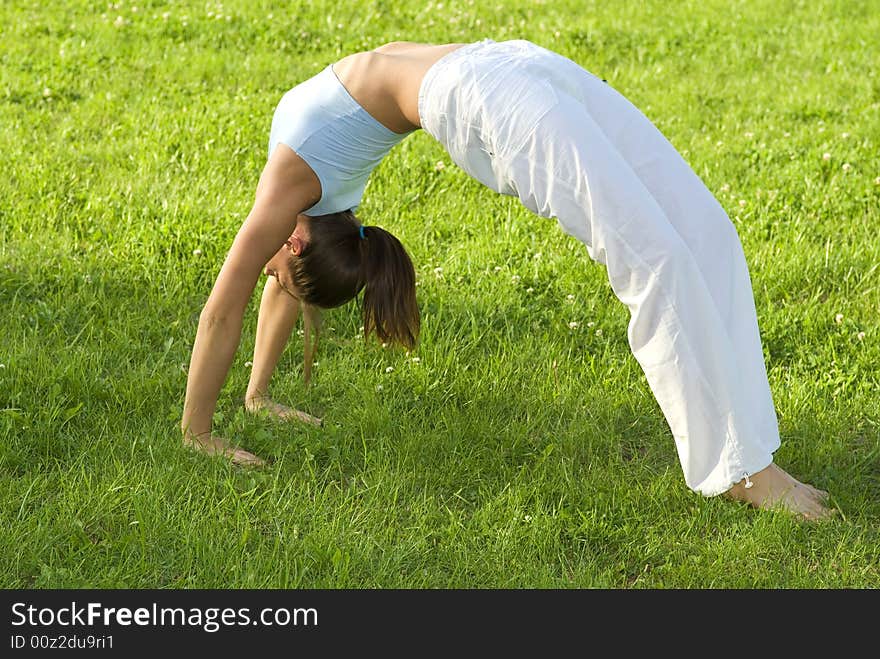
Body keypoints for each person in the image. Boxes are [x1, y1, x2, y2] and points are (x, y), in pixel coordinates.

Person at [181, 39, 833, 520]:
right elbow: (279, 293)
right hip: (507, 68)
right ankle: (748, 464)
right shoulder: (318, 209)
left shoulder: (291, 192)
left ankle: (744, 466)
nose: (267, 265)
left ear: (293, 240)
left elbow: (223, 311)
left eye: (274, 264)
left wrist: (198, 430)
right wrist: (256, 394)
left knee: (682, 243)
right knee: (676, 243)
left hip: (491, 87)